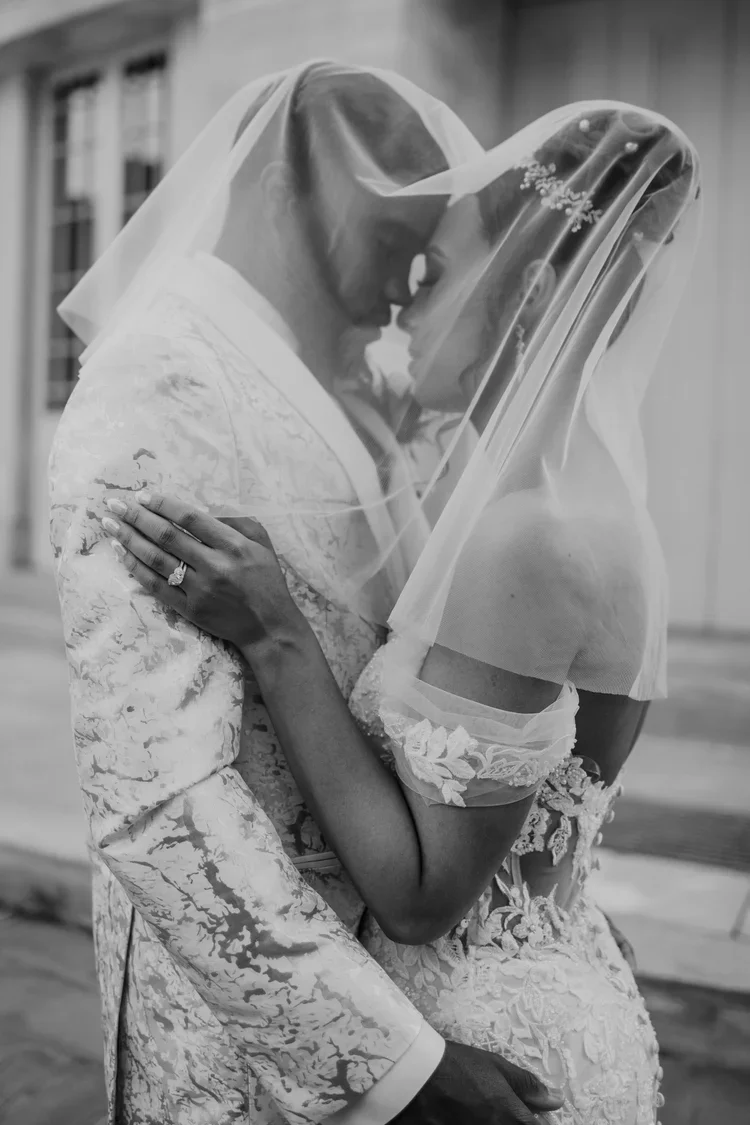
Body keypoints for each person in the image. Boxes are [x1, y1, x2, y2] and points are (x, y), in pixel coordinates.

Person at [103, 103, 701, 1125]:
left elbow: (421, 898)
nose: (400, 317)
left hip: (493, 1043)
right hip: (548, 970)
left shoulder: (531, 539)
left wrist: (275, 632)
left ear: (535, 290)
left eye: (432, 280)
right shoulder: (532, 487)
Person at [49, 61, 564, 1125]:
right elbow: (155, 796)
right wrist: (393, 1071)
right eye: (391, 238)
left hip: (396, 946)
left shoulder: (335, 381)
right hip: (248, 1028)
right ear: (287, 193)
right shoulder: (162, 375)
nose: (409, 283)